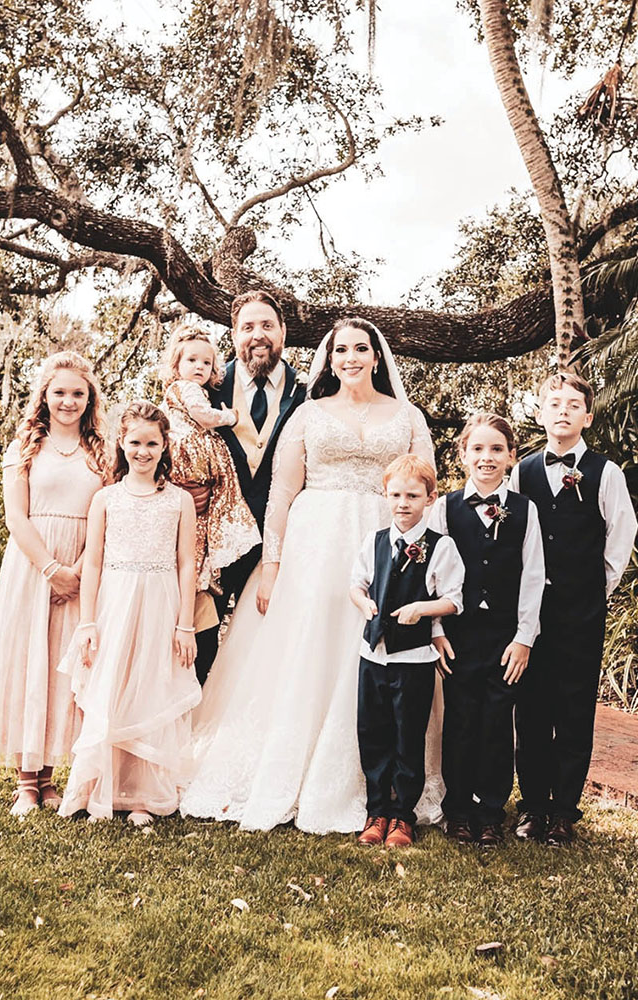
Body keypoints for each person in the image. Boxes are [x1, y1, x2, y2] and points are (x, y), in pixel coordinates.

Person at [181, 316, 443, 834]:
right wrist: (272, 568)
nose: (350, 357)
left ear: (376, 356)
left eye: (360, 348)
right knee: (312, 650)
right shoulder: (307, 415)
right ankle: (302, 770)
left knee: (383, 651)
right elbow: (281, 495)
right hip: (315, 545)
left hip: (386, 538)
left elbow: (428, 493)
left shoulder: (408, 416)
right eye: (340, 349)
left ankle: (390, 788)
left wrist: (426, 567)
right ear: (328, 358)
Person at [0, 351, 108, 816]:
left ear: (89, 399)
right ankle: (25, 782)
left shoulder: (102, 452)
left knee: (64, 671)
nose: (68, 401)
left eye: (77, 393)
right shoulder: (25, 447)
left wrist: (81, 569)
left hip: (84, 567)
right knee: (29, 663)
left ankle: (50, 778)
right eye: (59, 392)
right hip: (33, 566)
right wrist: (52, 569)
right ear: (44, 396)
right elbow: (16, 517)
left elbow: (106, 515)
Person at [57, 402, 200, 824]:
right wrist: (87, 621)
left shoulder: (178, 501)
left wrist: (185, 624)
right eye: (135, 442)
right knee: (111, 689)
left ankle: (144, 797)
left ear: (164, 445)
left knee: (151, 688)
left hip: (161, 601)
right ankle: (99, 789)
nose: (143, 451)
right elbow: (94, 562)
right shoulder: (106, 499)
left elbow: (188, 563)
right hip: (114, 602)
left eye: (152, 443)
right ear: (122, 443)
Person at [509, 372, 637, 846]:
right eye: (553, 402)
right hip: (530, 614)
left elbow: (620, 540)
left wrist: (592, 590)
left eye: (573, 403)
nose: (562, 410)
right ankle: (533, 807)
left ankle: (564, 810)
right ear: (540, 413)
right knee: (531, 709)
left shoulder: (606, 472)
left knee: (575, 709)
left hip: (581, 612)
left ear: (587, 414)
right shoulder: (520, 471)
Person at [430, 413, 545, 847]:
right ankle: (457, 809)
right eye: (477, 448)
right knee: (459, 720)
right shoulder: (444, 508)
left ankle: (491, 811)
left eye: (497, 449)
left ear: (512, 456)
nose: (487, 457)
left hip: (504, 636)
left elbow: (534, 576)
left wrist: (524, 638)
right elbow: (434, 576)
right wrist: (437, 629)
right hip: (458, 634)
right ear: (462, 455)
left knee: (498, 721)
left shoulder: (525, 511)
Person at [189, 290, 306, 682]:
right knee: (201, 638)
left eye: (267, 325)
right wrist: (187, 489)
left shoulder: (307, 394)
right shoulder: (203, 388)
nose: (258, 335)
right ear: (234, 335)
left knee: (274, 644)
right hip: (215, 541)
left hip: (282, 539)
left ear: (283, 333)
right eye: (248, 327)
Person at [350, 454, 463, 848]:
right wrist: (363, 604)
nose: (403, 503)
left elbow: (453, 599)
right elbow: (357, 585)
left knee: (407, 737)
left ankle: (403, 816)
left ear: (430, 498)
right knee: (372, 733)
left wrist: (422, 609)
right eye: (396, 494)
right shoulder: (375, 541)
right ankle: (376, 810)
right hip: (373, 656)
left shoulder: (441, 547)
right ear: (385, 495)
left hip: (414, 660)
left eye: (412, 495)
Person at [161, 326, 262, 684]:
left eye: (207, 361)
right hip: (191, 477)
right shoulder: (188, 392)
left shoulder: (195, 390)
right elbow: (204, 417)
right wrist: (231, 416)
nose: (200, 366)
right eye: (191, 359)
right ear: (176, 363)